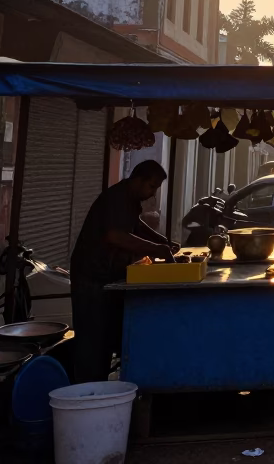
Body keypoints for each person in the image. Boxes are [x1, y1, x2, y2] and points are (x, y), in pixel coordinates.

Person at [70, 160, 177, 383]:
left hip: (108, 275)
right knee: (92, 338)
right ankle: (87, 390)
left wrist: (162, 241)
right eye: (152, 186)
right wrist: (156, 248)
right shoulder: (116, 197)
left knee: (107, 334)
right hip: (91, 276)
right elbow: (115, 236)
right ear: (138, 180)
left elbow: (135, 225)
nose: (153, 193)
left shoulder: (130, 199)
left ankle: (100, 384)